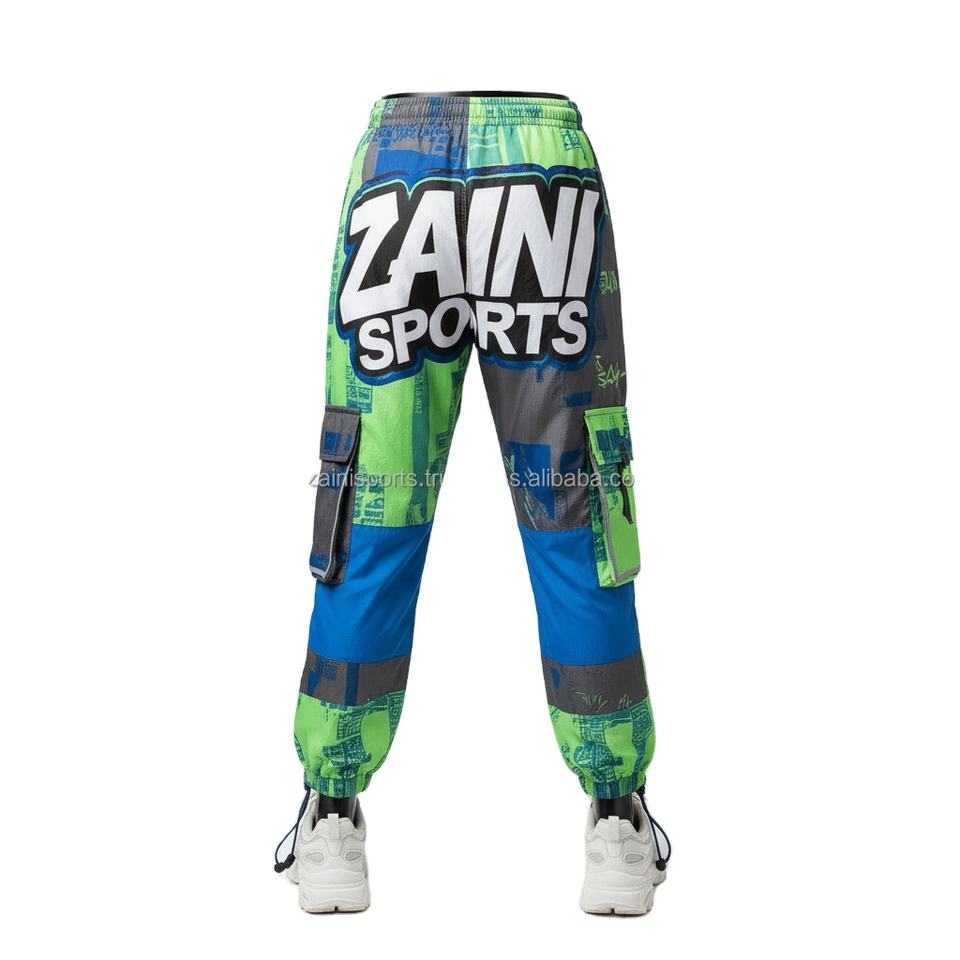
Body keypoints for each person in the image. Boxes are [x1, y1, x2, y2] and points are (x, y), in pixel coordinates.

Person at [274, 92, 671, 915]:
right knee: (576, 510)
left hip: (402, 169)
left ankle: (332, 815)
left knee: (373, 506)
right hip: (540, 170)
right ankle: (617, 819)